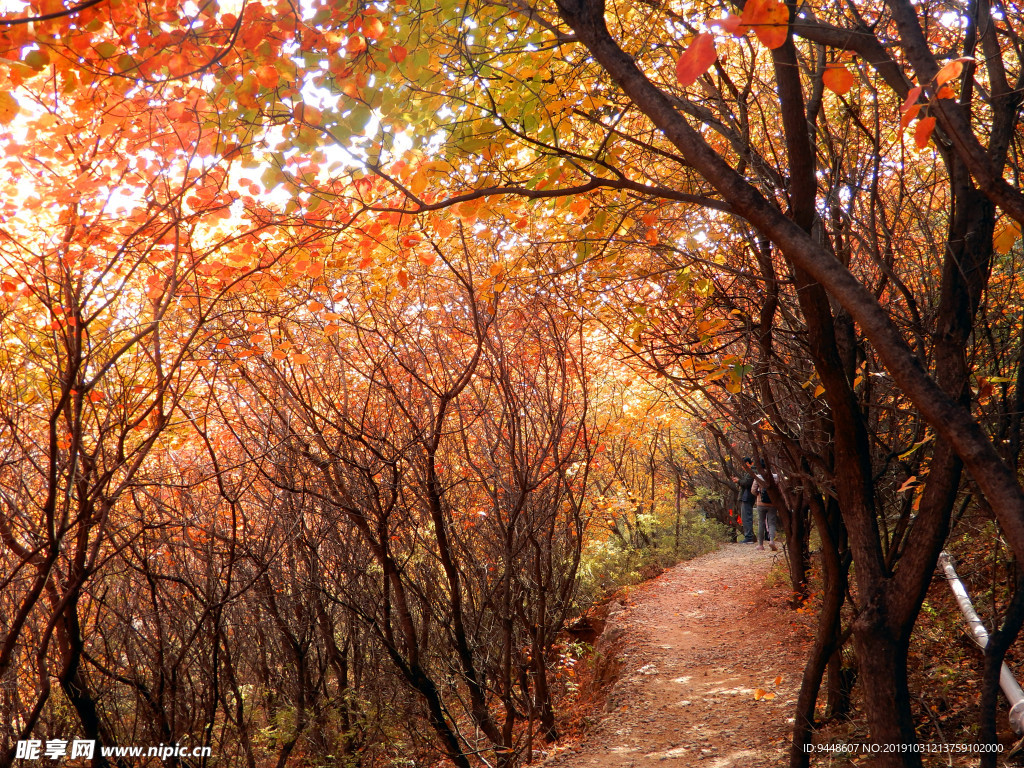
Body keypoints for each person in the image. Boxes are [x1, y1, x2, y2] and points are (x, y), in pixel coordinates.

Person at [751, 464, 780, 551]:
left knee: (761, 522)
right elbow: (779, 490)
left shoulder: (758, 477)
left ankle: (760, 545)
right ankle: (771, 541)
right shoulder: (775, 477)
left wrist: (758, 496)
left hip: (761, 504)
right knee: (771, 522)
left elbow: (753, 490)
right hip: (772, 503)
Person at [731, 457, 756, 543]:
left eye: (745, 464)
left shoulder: (752, 472)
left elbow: (746, 483)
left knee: (746, 518)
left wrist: (738, 481)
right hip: (746, 496)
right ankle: (749, 536)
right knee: (745, 517)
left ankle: (749, 537)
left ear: (750, 463)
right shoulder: (749, 472)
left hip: (747, 497)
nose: (743, 467)